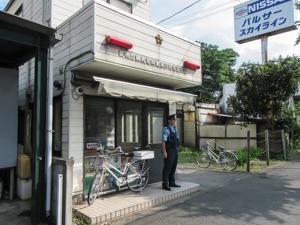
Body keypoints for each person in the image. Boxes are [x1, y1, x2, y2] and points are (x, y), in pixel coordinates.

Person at [161, 114, 181, 191]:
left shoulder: (174, 128)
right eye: (173, 119)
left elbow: (177, 138)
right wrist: (164, 152)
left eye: (175, 120)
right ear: (169, 120)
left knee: (173, 167)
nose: (175, 121)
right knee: (167, 167)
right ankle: (165, 184)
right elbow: (163, 141)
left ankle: (172, 182)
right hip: (169, 151)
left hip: (175, 150)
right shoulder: (166, 129)